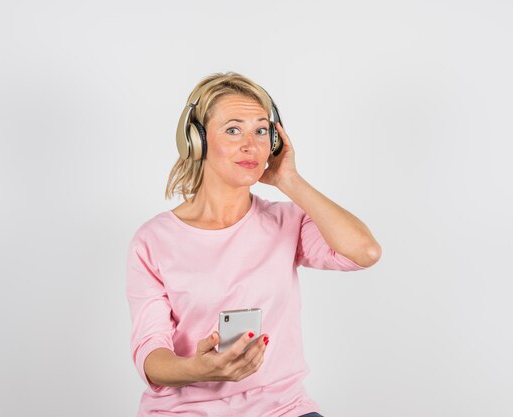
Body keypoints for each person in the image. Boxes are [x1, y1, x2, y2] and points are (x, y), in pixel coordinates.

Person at [126, 72, 382, 417]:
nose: (251, 145)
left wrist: (288, 180)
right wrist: (199, 370)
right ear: (196, 141)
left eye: (261, 130)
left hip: (282, 408)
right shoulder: (154, 239)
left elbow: (364, 252)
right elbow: (150, 354)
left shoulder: (288, 220)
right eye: (233, 130)